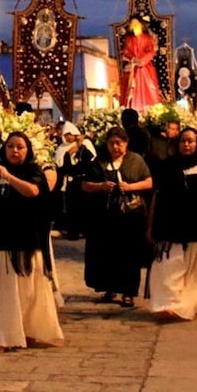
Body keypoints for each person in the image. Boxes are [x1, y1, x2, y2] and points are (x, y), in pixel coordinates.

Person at [0, 131, 63, 353]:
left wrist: (9, 177)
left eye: (20, 147)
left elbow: (33, 191)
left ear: (27, 150)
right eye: (10, 146)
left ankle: (27, 330)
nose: (15, 151)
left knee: (27, 292)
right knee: (0, 292)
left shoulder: (33, 170)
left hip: (25, 239)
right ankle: (2, 337)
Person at [147, 127, 197, 320]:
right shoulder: (167, 166)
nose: (187, 145)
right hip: (171, 225)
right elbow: (157, 197)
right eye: (183, 141)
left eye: (191, 141)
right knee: (168, 268)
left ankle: (186, 305)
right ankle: (168, 303)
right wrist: (150, 225)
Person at [80, 126, 153, 307]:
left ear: (126, 143)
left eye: (119, 143)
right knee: (107, 253)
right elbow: (85, 185)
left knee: (129, 254)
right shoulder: (99, 161)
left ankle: (128, 292)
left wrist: (130, 187)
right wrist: (101, 186)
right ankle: (109, 287)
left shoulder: (136, 161)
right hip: (105, 216)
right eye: (111, 143)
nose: (115, 147)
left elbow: (149, 182)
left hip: (130, 216)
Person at [119, 17, 162, 111]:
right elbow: (126, 52)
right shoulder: (129, 39)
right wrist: (132, 59)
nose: (134, 26)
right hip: (132, 67)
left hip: (145, 67)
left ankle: (148, 108)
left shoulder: (148, 38)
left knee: (147, 87)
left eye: (136, 24)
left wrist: (141, 61)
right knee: (130, 88)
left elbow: (150, 52)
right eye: (133, 24)